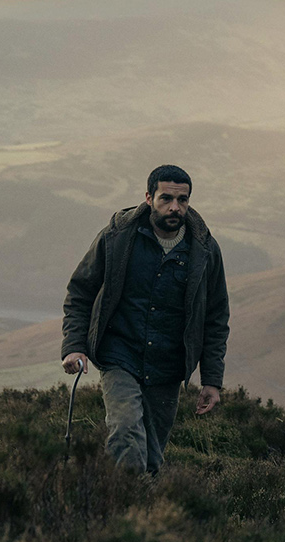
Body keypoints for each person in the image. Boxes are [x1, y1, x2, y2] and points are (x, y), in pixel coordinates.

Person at [61, 164, 229, 470]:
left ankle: (141, 512)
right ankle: (122, 506)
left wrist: (212, 380)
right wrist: (74, 345)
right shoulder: (118, 237)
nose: (175, 207)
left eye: (183, 200)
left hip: (168, 366)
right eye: (166, 198)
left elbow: (216, 318)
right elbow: (81, 291)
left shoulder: (204, 251)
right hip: (120, 355)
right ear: (149, 197)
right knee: (125, 432)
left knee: (152, 456)